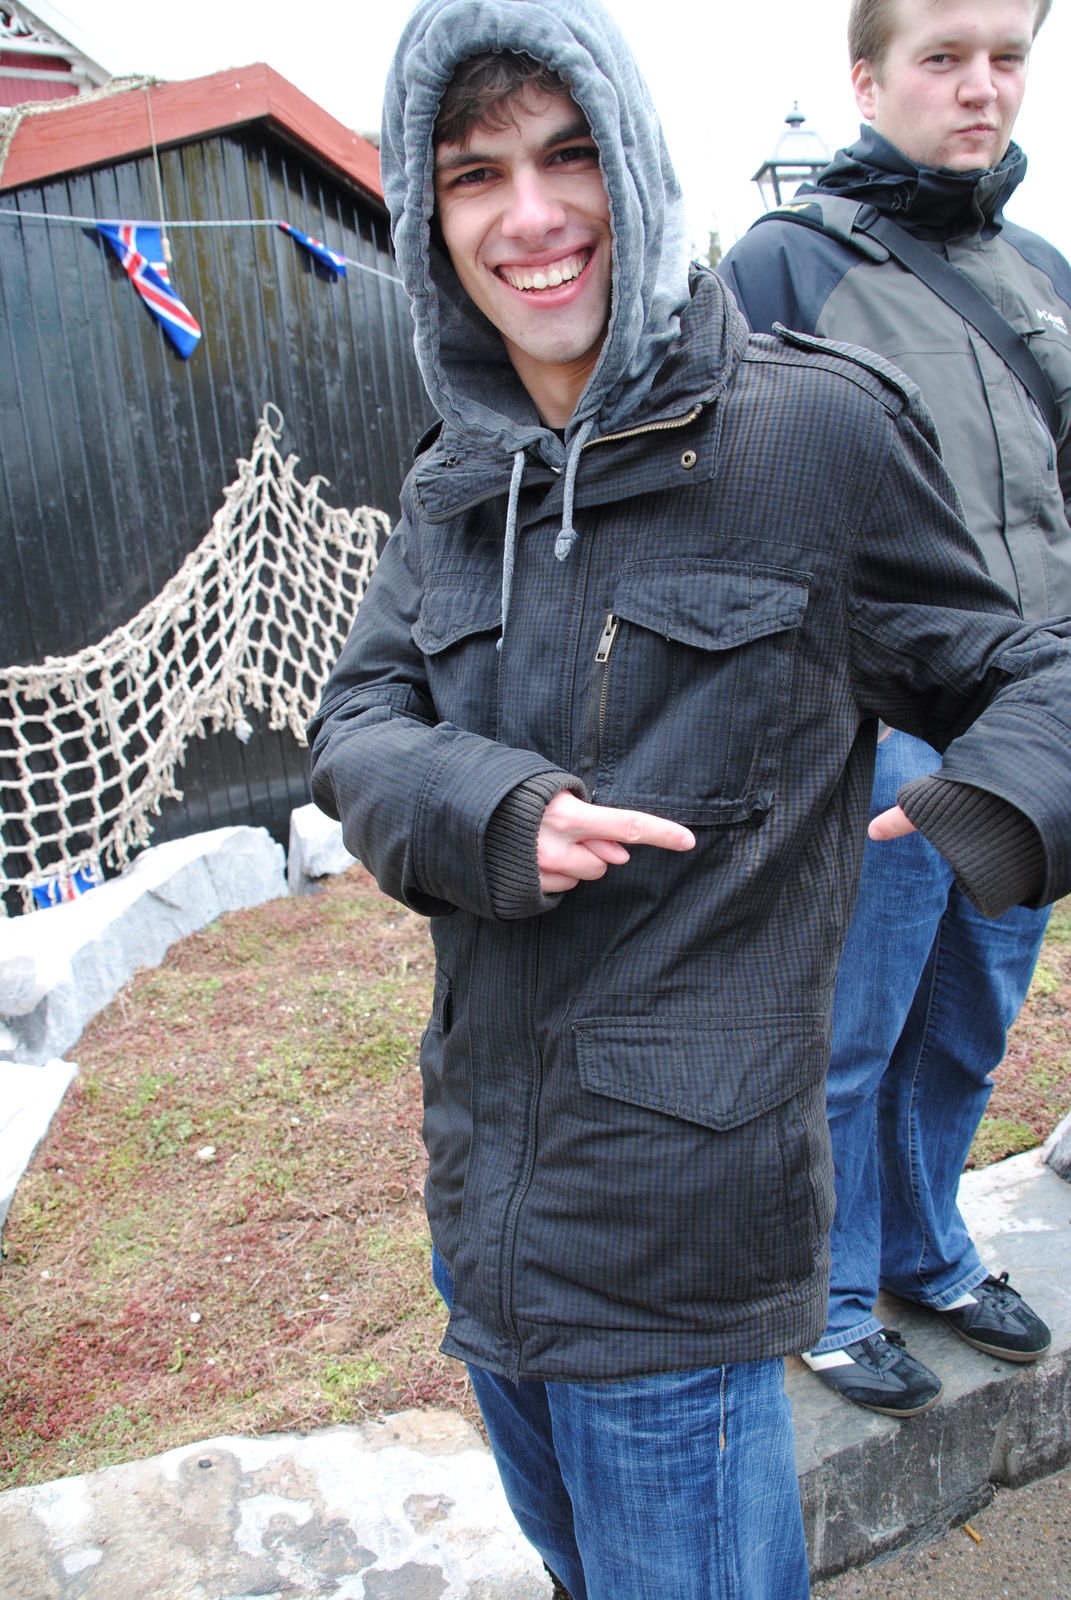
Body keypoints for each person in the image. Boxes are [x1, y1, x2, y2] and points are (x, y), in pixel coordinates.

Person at [309, 0, 1071, 1592]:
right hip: (483, 1205)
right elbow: (361, 722)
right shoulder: (456, 477)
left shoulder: (813, 434)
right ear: (427, 215)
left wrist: (992, 808)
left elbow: (1035, 671)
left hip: (683, 1234)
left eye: (568, 155)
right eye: (476, 175)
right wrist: (490, 808)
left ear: (639, 167)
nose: (531, 216)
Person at [719, 0, 1071, 1419]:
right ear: (866, 81)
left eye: (1006, 58)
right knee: (850, 1034)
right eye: (943, 58)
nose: (981, 88)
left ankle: (928, 1250)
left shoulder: (1040, 272)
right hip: (876, 728)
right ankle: (831, 1291)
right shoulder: (780, 266)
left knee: (970, 1019)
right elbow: (726, 507)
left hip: (1031, 725)